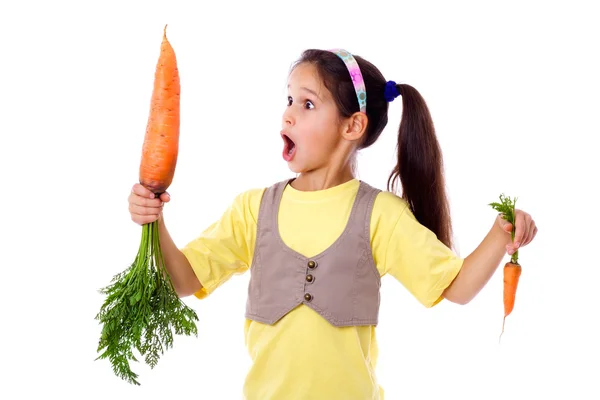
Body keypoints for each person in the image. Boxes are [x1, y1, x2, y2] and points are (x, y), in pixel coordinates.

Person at [127, 48, 538, 399]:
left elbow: (458, 287)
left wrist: (500, 232)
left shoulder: (380, 214)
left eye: (306, 104)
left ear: (352, 126)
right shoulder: (253, 209)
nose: (288, 115)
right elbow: (183, 279)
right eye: (287, 100)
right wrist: (154, 219)